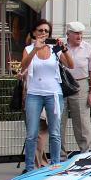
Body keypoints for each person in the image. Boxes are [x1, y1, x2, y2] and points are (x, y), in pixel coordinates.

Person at [20, 20, 74, 169]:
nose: (43, 33)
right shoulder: (29, 48)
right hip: (34, 93)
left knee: (55, 132)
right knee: (32, 133)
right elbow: (23, 65)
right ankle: (30, 167)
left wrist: (64, 49)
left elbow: (71, 65)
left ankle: (55, 165)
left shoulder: (54, 49)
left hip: (54, 93)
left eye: (46, 31)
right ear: (34, 33)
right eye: (40, 30)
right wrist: (34, 50)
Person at [62, 21, 91, 153]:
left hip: (80, 84)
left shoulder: (87, 47)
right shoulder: (60, 46)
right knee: (59, 121)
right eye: (76, 33)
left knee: (82, 122)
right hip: (61, 84)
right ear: (68, 34)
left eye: (81, 33)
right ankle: (60, 155)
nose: (79, 36)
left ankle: (85, 153)